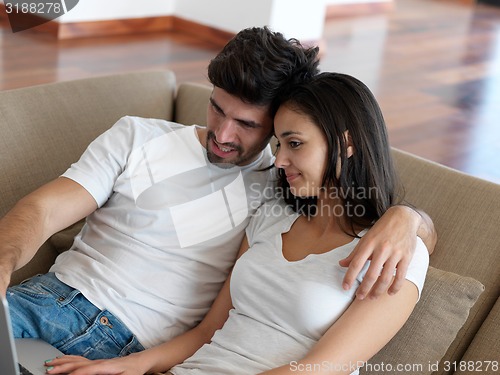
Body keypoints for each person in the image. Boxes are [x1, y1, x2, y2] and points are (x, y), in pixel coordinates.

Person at [0, 27, 435, 360]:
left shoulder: (282, 186)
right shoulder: (137, 136)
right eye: (217, 108)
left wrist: (408, 217)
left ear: (279, 124)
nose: (223, 135)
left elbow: (384, 228)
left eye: (247, 124)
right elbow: (43, 209)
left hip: (131, 345)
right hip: (48, 297)